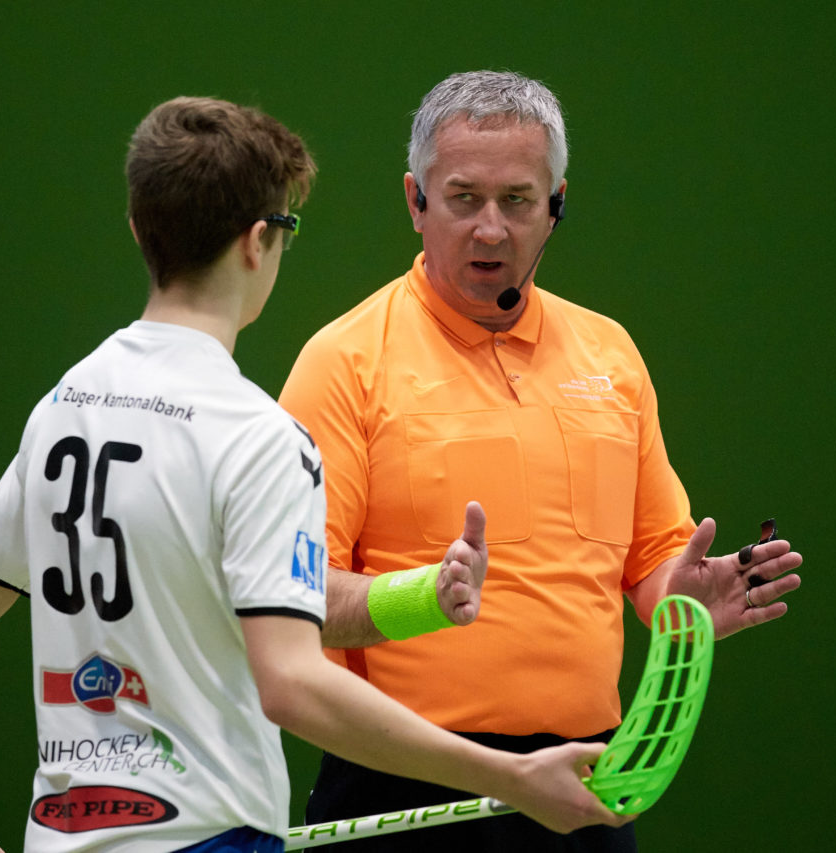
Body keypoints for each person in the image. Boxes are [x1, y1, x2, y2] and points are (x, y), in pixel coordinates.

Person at [0, 95, 629, 853]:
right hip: (205, 838)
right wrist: (507, 775)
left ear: (138, 230)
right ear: (260, 241)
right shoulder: (257, 437)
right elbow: (292, 684)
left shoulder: (63, 406)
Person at [278, 70, 804, 851]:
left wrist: (683, 596)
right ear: (415, 202)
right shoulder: (343, 361)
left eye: (517, 201)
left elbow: (653, 560)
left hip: (585, 787)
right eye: (463, 199)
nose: (490, 228)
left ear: (557, 206)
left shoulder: (612, 354)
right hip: (407, 790)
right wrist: (419, 595)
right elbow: (291, 593)